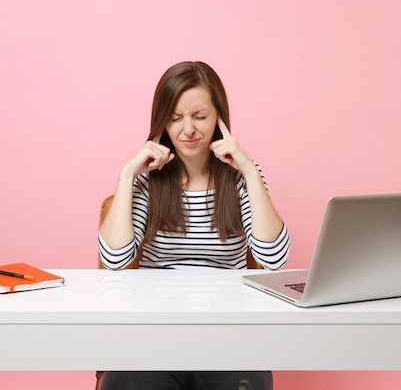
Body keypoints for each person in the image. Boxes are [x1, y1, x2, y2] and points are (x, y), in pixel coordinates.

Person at [98, 61, 290, 390]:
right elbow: (115, 260)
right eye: (175, 118)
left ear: (219, 119)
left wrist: (248, 169)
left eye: (200, 116)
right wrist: (127, 175)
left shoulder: (242, 176)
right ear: (161, 123)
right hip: (155, 333)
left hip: (228, 334)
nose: (188, 129)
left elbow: (273, 259)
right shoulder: (147, 179)